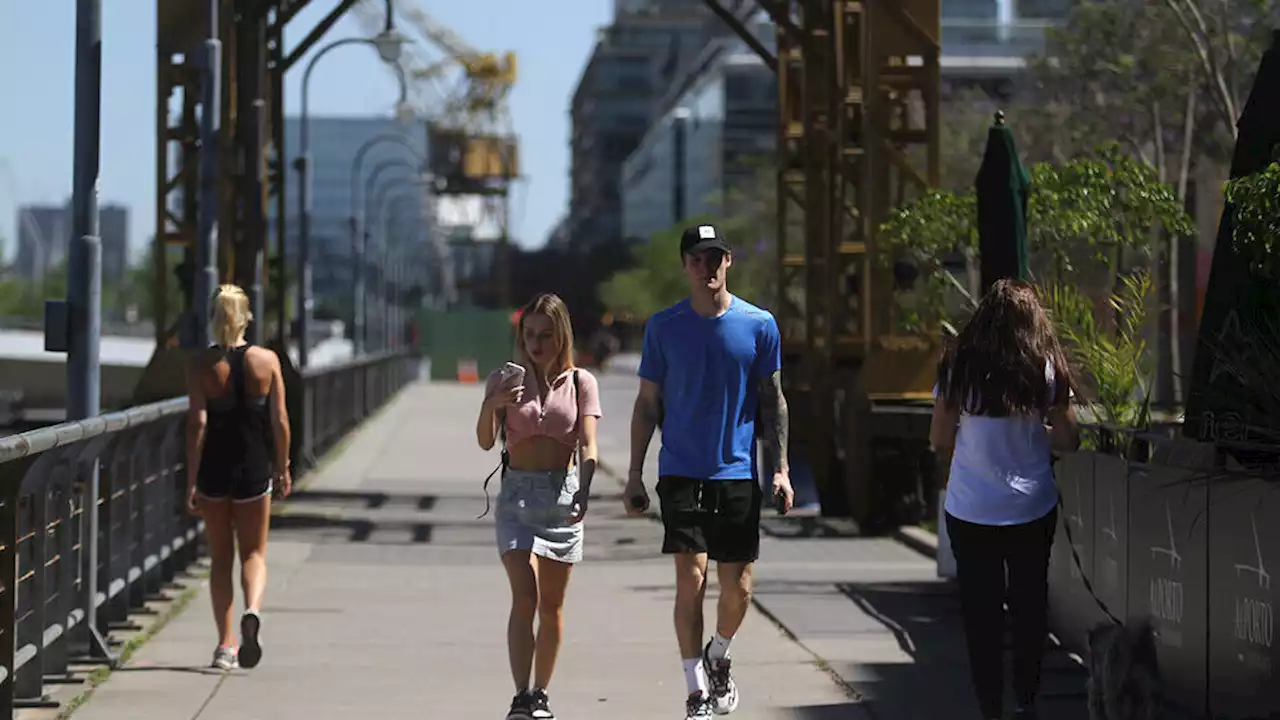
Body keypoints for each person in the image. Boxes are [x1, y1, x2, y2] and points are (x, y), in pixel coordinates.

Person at [624, 224, 794, 719]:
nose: (707, 267)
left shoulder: (759, 325)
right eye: (697, 260)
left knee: (738, 588)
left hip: (737, 472)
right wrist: (634, 475)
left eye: (715, 258)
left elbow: (773, 400)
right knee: (690, 578)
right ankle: (696, 689)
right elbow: (647, 404)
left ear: (729, 262)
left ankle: (718, 652)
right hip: (681, 470)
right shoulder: (664, 327)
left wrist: (780, 469)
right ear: (685, 267)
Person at [929, 278, 1081, 720]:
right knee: (1030, 607)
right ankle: (1026, 702)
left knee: (982, 615)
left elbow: (939, 437)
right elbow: (1070, 439)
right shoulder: (1046, 367)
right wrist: (1036, 432)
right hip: (1031, 506)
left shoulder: (958, 365)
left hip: (971, 508)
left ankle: (990, 708)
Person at [475, 293, 602, 720]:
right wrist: (492, 404)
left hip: (562, 496)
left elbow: (588, 444)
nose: (536, 343)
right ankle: (520, 696)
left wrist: (584, 488)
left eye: (546, 335)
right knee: (524, 596)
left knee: (551, 605)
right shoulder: (505, 379)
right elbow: (484, 440)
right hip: (516, 497)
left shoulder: (581, 382)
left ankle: (541, 693)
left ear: (561, 335)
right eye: (529, 334)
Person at [184, 284, 292, 671]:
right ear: (248, 317)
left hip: (214, 469)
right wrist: (283, 465)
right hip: (254, 467)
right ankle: (253, 609)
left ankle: (225, 646)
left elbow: (198, 424)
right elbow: (279, 420)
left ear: (214, 319)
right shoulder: (267, 361)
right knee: (254, 552)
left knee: (220, 558)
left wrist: (192, 479)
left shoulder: (201, 366)